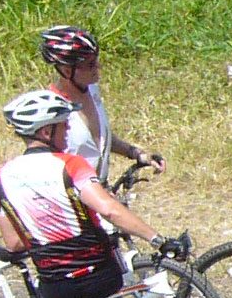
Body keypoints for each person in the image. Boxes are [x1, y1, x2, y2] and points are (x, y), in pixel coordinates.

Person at [0, 90, 183, 298]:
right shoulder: (70, 165)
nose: (68, 131)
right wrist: (158, 239)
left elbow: (14, 242)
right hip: (97, 277)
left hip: (54, 282)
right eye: (64, 125)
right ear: (46, 130)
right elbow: (109, 209)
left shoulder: (2, 177)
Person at [38, 26, 164, 185]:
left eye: (96, 60)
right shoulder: (51, 111)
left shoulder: (92, 90)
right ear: (66, 70)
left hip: (99, 190)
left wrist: (137, 154)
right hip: (73, 197)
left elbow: (101, 138)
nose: (98, 67)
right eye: (90, 64)